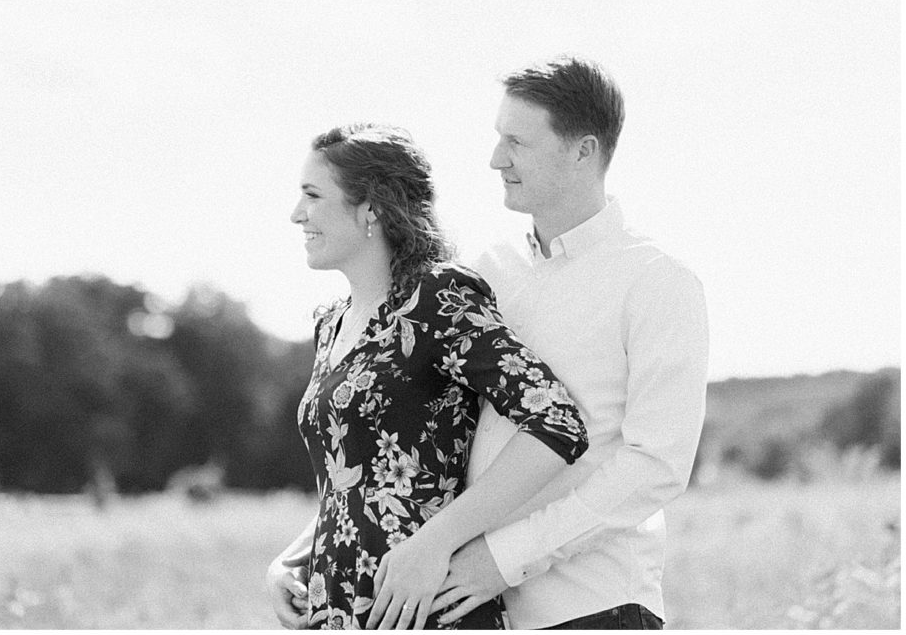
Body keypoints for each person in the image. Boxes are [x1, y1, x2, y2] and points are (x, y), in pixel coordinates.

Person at [424, 54, 710, 629]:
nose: (495, 160)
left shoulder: (657, 281)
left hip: (594, 607)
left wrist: (505, 559)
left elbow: (655, 465)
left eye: (517, 143)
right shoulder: (484, 273)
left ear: (584, 150)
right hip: (473, 610)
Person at [266, 122, 589, 630]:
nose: (296, 213)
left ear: (370, 207)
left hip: (424, 607)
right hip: (336, 608)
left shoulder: (436, 299)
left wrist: (434, 544)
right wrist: (290, 559)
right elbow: (357, 479)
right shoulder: (330, 323)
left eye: (312, 195)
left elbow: (557, 423)